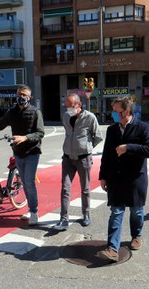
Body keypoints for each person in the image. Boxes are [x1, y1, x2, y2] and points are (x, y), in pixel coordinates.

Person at [0, 85, 45, 226]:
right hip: (17, 152)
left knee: (29, 182)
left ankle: (34, 211)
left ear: (29, 97)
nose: (20, 97)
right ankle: (30, 207)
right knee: (24, 181)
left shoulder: (35, 112)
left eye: (23, 95)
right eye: (18, 94)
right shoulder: (12, 112)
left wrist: (25, 137)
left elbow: (40, 133)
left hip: (32, 152)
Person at [97, 96, 149, 262]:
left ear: (127, 111)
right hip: (116, 178)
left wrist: (128, 147)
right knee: (116, 212)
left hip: (136, 178)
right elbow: (107, 154)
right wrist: (103, 176)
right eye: (114, 111)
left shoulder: (143, 128)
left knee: (137, 211)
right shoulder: (112, 130)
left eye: (117, 111)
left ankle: (137, 235)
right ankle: (112, 249)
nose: (114, 114)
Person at [52, 94, 103, 231]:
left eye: (71, 106)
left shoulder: (89, 117)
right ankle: (64, 219)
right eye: (66, 106)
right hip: (68, 158)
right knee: (65, 188)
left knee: (85, 189)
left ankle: (86, 214)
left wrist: (87, 147)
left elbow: (98, 136)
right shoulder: (66, 116)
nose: (68, 109)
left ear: (79, 105)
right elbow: (68, 133)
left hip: (83, 159)